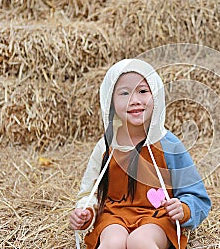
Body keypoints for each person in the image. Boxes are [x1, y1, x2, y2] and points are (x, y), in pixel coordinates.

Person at [69, 59, 211, 249]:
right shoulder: (105, 146)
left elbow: (196, 195)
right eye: (124, 93)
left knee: (140, 241)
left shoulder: (169, 145)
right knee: (113, 242)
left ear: (156, 95)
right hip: (114, 216)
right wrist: (86, 212)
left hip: (156, 217)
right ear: (110, 101)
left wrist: (183, 209)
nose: (134, 100)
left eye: (143, 91)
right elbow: (90, 192)